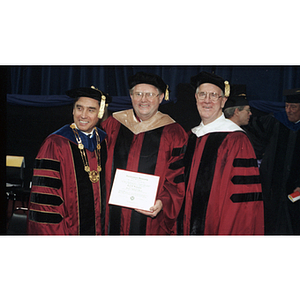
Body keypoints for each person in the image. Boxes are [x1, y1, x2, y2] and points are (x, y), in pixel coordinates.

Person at [101, 72, 188, 235]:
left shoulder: (174, 132)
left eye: (149, 94)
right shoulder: (113, 124)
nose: (143, 100)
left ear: (161, 97)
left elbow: (178, 175)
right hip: (112, 215)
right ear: (131, 96)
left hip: (150, 220)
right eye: (138, 94)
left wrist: (163, 202)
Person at [179, 71, 264, 235]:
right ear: (196, 98)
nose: (207, 101)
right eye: (202, 94)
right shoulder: (190, 136)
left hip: (219, 225)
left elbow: (242, 199)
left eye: (214, 95)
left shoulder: (236, 140)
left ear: (223, 101)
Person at [27, 86, 111, 235]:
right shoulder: (55, 143)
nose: (83, 115)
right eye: (79, 108)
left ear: (100, 112)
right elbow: (45, 199)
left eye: (91, 110)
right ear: (73, 110)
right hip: (65, 231)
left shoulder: (105, 142)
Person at [246, 88, 300, 234]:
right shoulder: (276, 120)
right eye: (287, 106)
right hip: (271, 184)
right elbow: (253, 133)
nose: (289, 110)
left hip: (295, 189)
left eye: (293, 107)